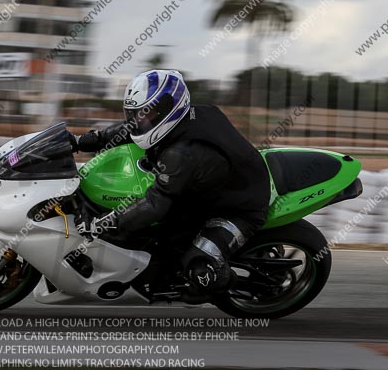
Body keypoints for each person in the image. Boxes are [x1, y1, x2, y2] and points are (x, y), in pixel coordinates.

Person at [71, 69, 271, 295]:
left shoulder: (181, 154)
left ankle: (250, 286)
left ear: (169, 109)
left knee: (200, 270)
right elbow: (127, 130)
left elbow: (153, 206)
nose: (138, 120)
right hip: (204, 194)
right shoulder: (179, 120)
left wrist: (105, 222)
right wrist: (81, 141)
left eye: (146, 114)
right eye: (134, 113)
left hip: (239, 207)